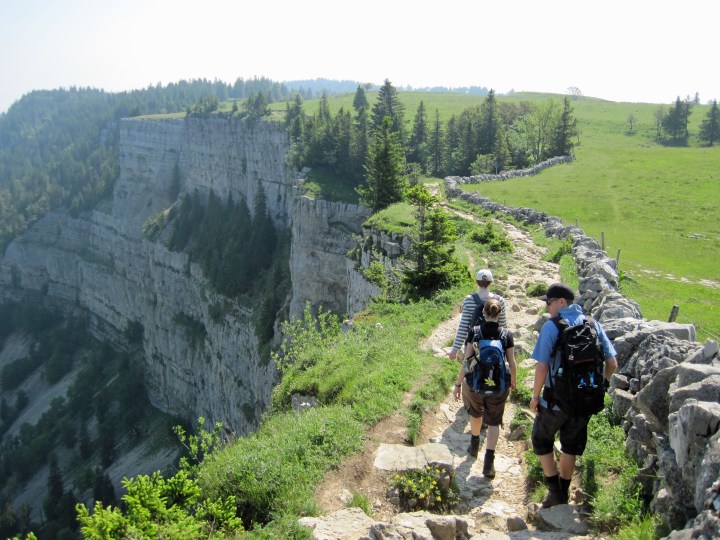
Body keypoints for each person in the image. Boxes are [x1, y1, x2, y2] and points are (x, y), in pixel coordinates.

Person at [529, 283, 617, 507]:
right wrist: (602, 385)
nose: (547, 307)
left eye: (548, 302)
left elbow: (541, 366)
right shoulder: (593, 324)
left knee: (541, 439)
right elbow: (612, 363)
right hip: (585, 399)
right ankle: (565, 490)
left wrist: (535, 396)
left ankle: (554, 492)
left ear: (561, 302)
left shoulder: (552, 326)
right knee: (570, 446)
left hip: (555, 400)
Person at [453, 298, 517, 478]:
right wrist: (513, 381)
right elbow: (511, 362)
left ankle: (474, 446)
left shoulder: (474, 332)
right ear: (500, 314)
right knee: (494, 422)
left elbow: (466, 362)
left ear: (483, 313)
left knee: (475, 413)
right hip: (499, 385)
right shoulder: (507, 334)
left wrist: (458, 384)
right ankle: (488, 463)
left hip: (476, 384)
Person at [448, 269, 507, 361]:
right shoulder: (499, 301)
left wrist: (455, 349)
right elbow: (503, 326)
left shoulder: (469, 300)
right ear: (491, 282)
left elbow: (463, 327)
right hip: (495, 344)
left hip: (473, 343)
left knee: (470, 371)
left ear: (476, 282)